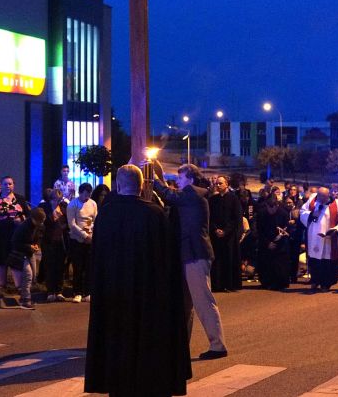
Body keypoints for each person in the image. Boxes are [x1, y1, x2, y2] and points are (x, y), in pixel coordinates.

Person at [85, 164, 191, 397]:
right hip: (148, 295)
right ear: (142, 185)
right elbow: (168, 262)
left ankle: (117, 381)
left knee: (118, 340)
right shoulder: (154, 214)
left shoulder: (106, 215)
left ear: (118, 185)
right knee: (146, 342)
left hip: (114, 293)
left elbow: (97, 259)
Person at [153, 160, 228, 360]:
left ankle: (218, 345)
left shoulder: (192, 194)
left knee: (203, 301)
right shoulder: (192, 195)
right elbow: (171, 195)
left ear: (191, 179)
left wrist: (153, 178)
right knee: (189, 303)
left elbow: (169, 195)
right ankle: (184, 343)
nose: (177, 180)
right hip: (191, 253)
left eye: (180, 177)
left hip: (195, 253)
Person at [299, 187, 338, 292]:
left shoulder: (337, 204)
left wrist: (336, 230)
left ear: (328, 195)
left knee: (327, 262)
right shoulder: (312, 200)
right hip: (314, 237)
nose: (321, 199)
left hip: (329, 239)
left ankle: (326, 284)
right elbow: (303, 212)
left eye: (324, 197)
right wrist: (311, 214)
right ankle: (315, 281)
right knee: (314, 261)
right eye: (320, 196)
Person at [208, 176, 243, 292]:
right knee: (217, 260)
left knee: (229, 259)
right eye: (217, 184)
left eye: (220, 183)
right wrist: (215, 229)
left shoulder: (234, 199)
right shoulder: (213, 199)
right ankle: (218, 284)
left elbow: (236, 218)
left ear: (226, 184)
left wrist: (226, 231)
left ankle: (230, 284)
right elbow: (210, 217)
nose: (218, 186)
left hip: (229, 236)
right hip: (216, 235)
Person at [8, 207, 46, 309]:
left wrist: (36, 245)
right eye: (40, 221)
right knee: (28, 274)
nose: (41, 223)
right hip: (20, 253)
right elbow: (15, 242)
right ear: (33, 219)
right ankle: (25, 300)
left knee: (33, 276)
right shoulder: (23, 228)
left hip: (29, 252)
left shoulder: (37, 226)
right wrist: (29, 247)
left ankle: (23, 293)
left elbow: (38, 238)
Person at [67, 182, 98, 303]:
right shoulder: (73, 204)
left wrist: (91, 233)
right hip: (77, 239)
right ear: (80, 192)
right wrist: (84, 235)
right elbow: (72, 224)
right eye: (85, 194)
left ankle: (88, 291)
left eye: (89, 194)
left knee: (89, 266)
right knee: (78, 267)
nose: (87, 196)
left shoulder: (93, 203)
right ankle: (77, 292)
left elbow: (95, 220)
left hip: (90, 238)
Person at [255, 195, 291, 290]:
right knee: (265, 262)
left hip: (280, 244)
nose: (271, 210)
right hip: (265, 242)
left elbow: (286, 229)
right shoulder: (261, 213)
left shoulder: (283, 214)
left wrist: (278, 240)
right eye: (269, 207)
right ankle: (266, 282)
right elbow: (259, 230)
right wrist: (268, 243)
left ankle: (280, 283)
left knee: (280, 263)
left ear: (277, 205)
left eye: (274, 207)